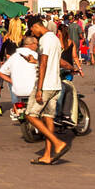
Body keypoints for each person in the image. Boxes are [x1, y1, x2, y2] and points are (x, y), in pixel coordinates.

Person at [26, 19, 68, 165]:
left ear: (36, 26)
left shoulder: (44, 40)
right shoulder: (55, 39)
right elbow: (57, 60)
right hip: (56, 84)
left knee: (30, 115)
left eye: (32, 30)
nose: (33, 34)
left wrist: (39, 89)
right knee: (48, 117)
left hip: (46, 85)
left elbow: (44, 63)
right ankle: (47, 155)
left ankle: (57, 143)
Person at [0, 35, 38, 122]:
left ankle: (16, 110)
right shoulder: (36, 55)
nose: (37, 46)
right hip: (34, 91)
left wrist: (12, 81)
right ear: (31, 44)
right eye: (36, 44)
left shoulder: (14, 56)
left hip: (18, 92)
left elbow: (1, 73)